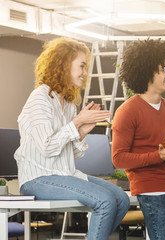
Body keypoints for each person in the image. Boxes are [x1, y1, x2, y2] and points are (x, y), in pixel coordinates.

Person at [14, 37, 130, 240]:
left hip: (65, 174)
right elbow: (47, 148)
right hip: (38, 178)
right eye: (82, 66)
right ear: (64, 65)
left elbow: (72, 153)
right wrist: (76, 124)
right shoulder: (40, 98)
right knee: (105, 201)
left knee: (121, 198)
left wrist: (82, 131)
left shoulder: (68, 104)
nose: (85, 73)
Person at [111, 39, 165, 240]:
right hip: (151, 193)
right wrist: (160, 156)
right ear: (147, 71)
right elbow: (119, 159)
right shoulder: (127, 111)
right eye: (164, 69)